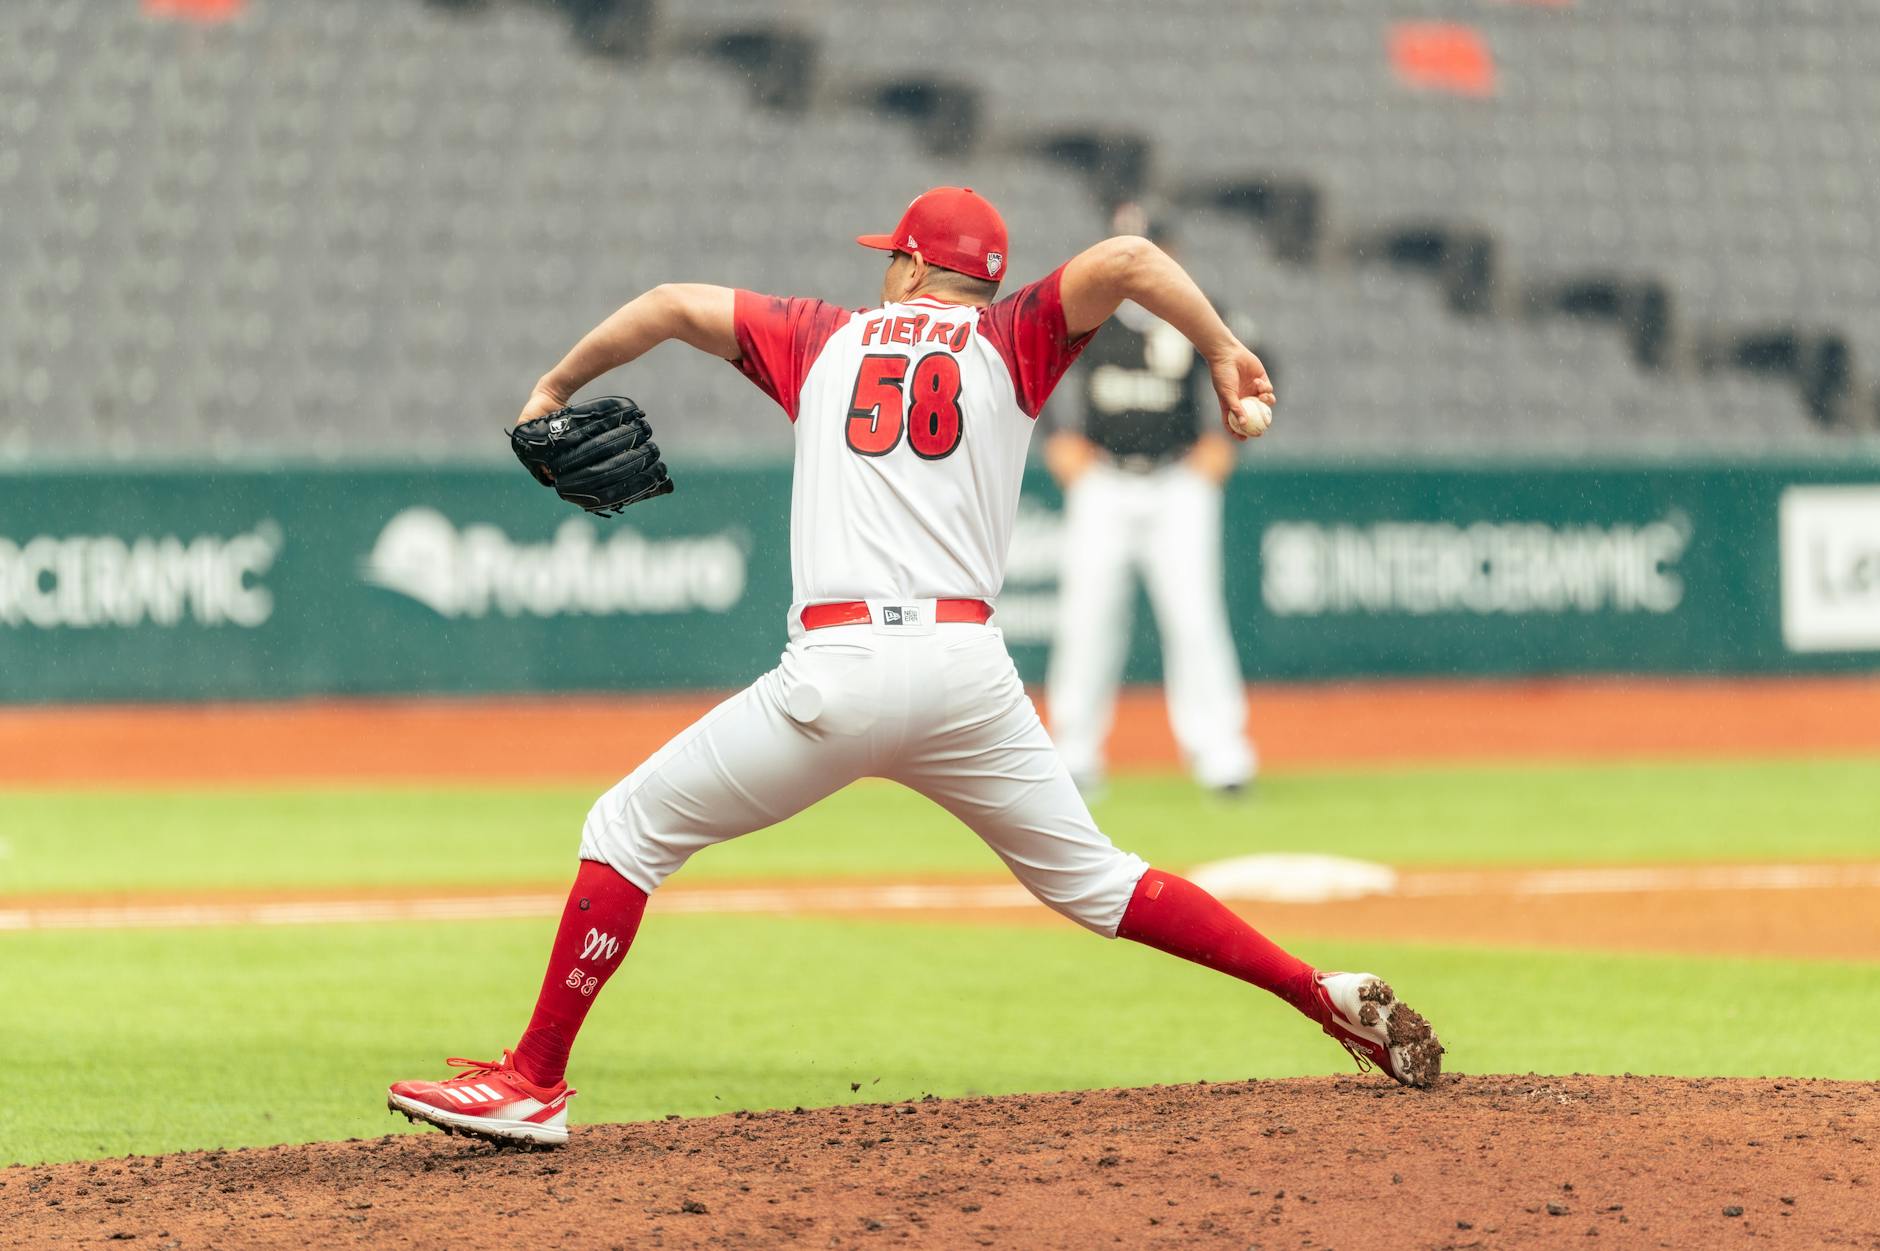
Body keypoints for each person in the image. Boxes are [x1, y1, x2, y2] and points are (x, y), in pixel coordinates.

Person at [386, 187, 1441, 1147]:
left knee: (626, 830)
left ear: (904, 264)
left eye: (886, 258)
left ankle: (534, 1080)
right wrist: (1217, 349)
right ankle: (1317, 992)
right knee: (1100, 882)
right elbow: (1125, 260)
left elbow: (667, 301)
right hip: (964, 676)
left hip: (838, 671)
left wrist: (554, 385)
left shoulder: (820, 338)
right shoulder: (1009, 338)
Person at [1044, 207, 1257, 796]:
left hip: (1176, 481)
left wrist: (1226, 442)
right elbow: (1031, 366)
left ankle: (1222, 755)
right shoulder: (1090, 312)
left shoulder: (1198, 310)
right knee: (1087, 619)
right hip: (1104, 482)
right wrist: (1056, 437)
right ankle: (1074, 752)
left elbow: (1256, 362)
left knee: (1194, 616)